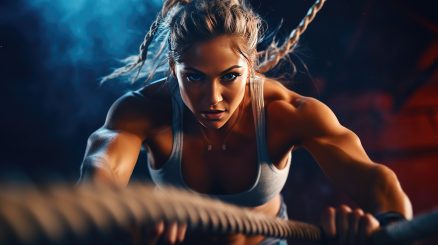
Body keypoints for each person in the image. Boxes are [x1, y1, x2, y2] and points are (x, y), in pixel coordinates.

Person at [79, 0, 412, 244]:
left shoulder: (285, 111)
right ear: (172, 66)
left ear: (251, 65)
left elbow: (374, 178)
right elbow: (100, 167)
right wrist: (120, 211)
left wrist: (392, 228)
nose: (212, 98)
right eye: (194, 77)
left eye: (230, 77)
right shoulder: (144, 110)